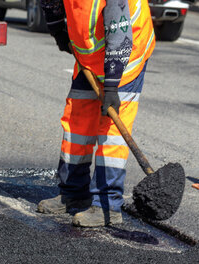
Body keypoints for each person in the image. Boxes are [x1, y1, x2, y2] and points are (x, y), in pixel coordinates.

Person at [37, 0, 155, 227]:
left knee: (111, 129)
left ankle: (107, 205)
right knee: (77, 119)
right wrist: (56, 27)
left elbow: (120, 36)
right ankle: (73, 192)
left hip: (127, 52)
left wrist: (111, 87)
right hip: (90, 54)